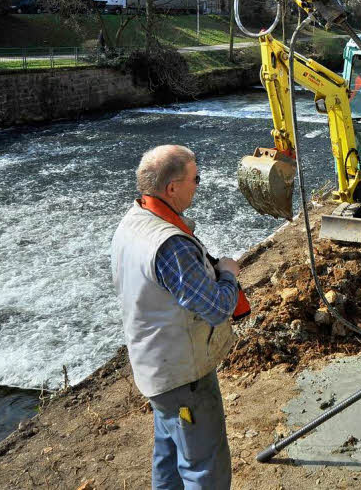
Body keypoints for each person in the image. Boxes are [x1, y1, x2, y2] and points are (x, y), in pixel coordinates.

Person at [111, 145, 241, 490]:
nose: (198, 184)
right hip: (184, 377)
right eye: (195, 178)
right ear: (172, 188)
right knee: (204, 466)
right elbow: (215, 308)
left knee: (168, 458)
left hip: (154, 367)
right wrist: (228, 273)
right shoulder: (171, 245)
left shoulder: (133, 220)